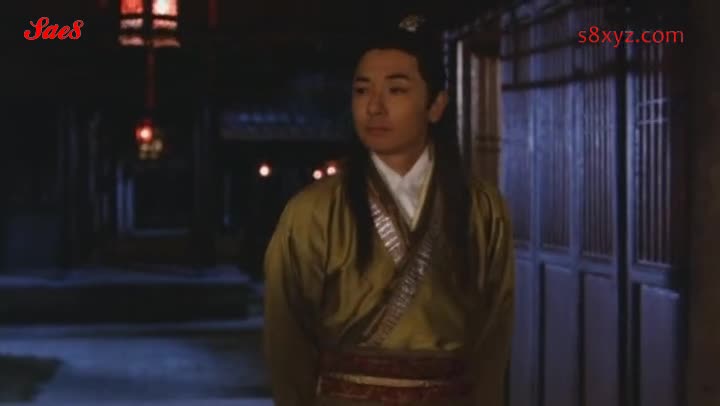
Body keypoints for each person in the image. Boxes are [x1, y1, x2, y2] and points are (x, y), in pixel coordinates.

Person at [263, 13, 515, 406]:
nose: (374, 107)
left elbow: (493, 341)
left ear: (436, 105)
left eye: (396, 90)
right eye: (362, 90)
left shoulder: (483, 209)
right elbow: (287, 341)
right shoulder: (311, 212)